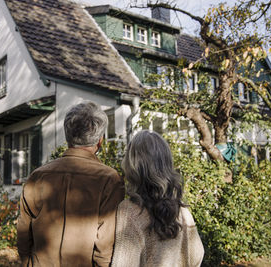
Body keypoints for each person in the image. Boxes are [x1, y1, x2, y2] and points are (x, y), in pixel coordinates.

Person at [17, 101, 125, 267]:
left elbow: (24, 233)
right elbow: (105, 245)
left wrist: (27, 263)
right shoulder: (109, 179)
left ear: (67, 137)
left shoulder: (37, 176)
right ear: (100, 141)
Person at [111, 130, 204, 267]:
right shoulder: (182, 211)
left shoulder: (129, 211)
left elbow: (124, 263)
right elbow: (197, 255)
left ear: (132, 165)